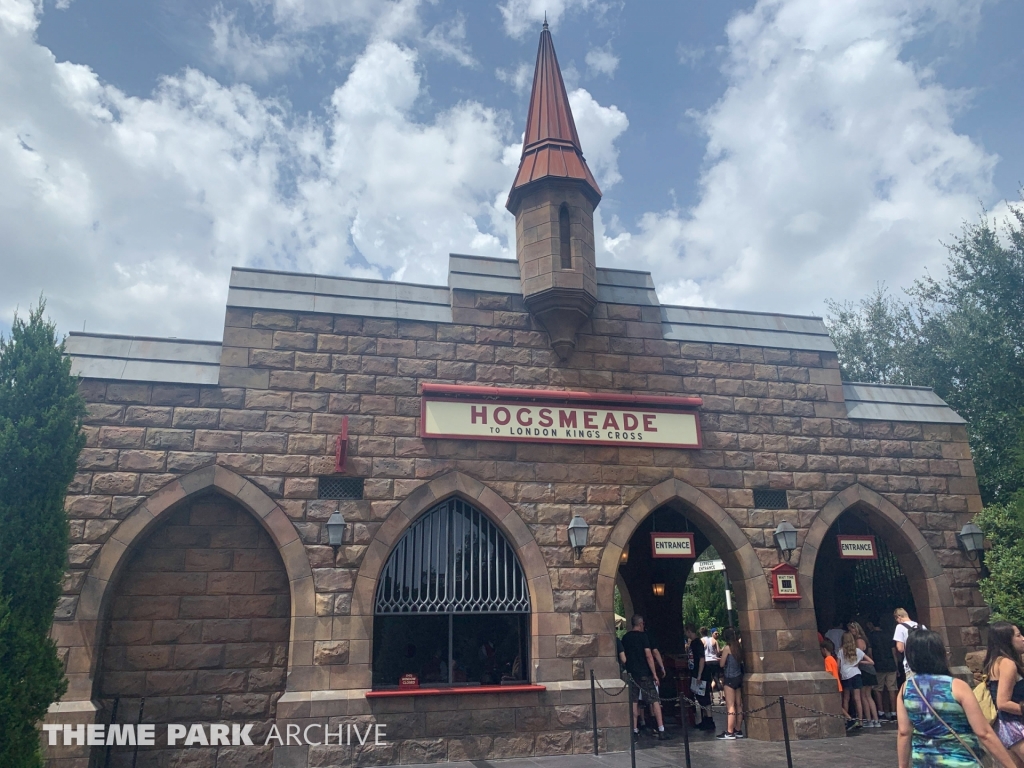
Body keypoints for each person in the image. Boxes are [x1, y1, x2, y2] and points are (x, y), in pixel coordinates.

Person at [898, 628, 1015, 768]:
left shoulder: (906, 688)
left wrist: (903, 765)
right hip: (961, 761)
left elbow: (904, 732)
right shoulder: (957, 686)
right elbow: (984, 733)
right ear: (939, 654)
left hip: (925, 762)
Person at [621, 614, 668, 740]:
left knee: (634, 701)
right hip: (644, 673)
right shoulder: (643, 637)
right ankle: (661, 728)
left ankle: (634, 730)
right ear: (641, 624)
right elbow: (648, 655)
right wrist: (654, 674)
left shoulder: (625, 638)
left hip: (632, 674)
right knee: (654, 700)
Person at [984, 621, 1024, 766]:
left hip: (1005, 726)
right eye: (1018, 635)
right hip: (1014, 726)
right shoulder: (1007, 664)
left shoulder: (995, 662)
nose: (1023, 638)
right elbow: (1003, 702)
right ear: (1007, 640)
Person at [840, 631, 875, 729]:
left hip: (846, 676)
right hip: (856, 674)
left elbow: (838, 665)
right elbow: (871, 662)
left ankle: (846, 720)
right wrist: (859, 662)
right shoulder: (857, 651)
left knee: (846, 699)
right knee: (858, 699)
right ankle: (860, 721)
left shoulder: (841, 651)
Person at [850, 621, 882, 727]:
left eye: (852, 629)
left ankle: (869, 720)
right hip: (870, 670)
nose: (851, 631)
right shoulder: (864, 639)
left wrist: (857, 662)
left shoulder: (858, 640)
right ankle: (875, 720)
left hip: (864, 670)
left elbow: (859, 655)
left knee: (864, 696)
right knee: (868, 696)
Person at [716, 627, 746, 740]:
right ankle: (738, 729)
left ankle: (729, 732)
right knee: (739, 705)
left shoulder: (727, 648)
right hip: (738, 677)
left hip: (729, 678)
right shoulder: (738, 647)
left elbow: (722, 664)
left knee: (731, 706)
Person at [868, 617, 899, 721]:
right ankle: (894, 712)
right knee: (892, 689)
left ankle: (881, 712)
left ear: (871, 624)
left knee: (878, 689)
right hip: (890, 664)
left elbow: (870, 652)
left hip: (878, 665)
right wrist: (896, 666)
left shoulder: (871, 636)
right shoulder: (888, 635)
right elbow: (894, 651)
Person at [685, 624, 714, 732]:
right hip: (695, 673)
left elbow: (702, 659)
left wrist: (699, 675)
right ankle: (704, 719)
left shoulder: (697, 643)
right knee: (699, 697)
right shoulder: (692, 643)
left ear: (689, 631)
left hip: (701, 674)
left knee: (704, 697)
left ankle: (709, 719)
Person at [894, 608, 923, 675]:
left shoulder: (900, 627)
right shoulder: (921, 626)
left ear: (899, 617)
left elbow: (900, 648)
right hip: (925, 662)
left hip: (910, 663)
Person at [703, 627, 722, 704]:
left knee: (708, 680)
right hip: (714, 660)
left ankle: (711, 699)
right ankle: (721, 698)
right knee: (717, 679)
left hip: (707, 661)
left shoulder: (702, 640)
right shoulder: (714, 641)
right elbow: (718, 651)